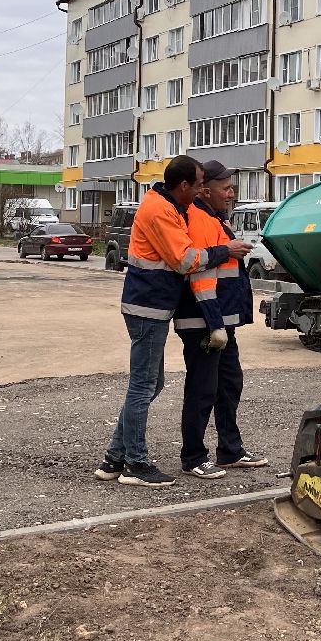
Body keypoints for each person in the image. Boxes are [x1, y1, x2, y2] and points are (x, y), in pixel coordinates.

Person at [94, 155, 251, 487]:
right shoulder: (161, 211)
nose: (200, 192)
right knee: (143, 386)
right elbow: (185, 260)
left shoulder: (167, 206)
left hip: (152, 308)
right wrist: (225, 249)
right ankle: (134, 464)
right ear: (183, 185)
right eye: (197, 186)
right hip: (148, 308)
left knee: (151, 385)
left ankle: (113, 459)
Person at [173, 160, 270, 480]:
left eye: (232, 188)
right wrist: (215, 325)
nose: (231, 194)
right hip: (203, 322)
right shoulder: (200, 220)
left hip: (218, 322)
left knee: (228, 384)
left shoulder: (215, 218)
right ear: (205, 190)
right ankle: (193, 457)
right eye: (225, 189)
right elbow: (200, 276)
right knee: (203, 388)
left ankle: (230, 450)